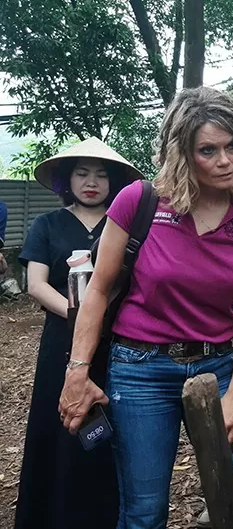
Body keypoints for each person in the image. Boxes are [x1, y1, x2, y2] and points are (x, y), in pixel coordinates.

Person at [58, 87, 233, 528]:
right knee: (145, 512)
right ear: (182, 153)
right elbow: (98, 290)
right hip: (140, 369)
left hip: (217, 365)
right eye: (208, 150)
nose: (225, 160)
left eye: (232, 146)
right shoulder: (140, 202)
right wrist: (77, 372)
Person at [15, 138, 142, 529]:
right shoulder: (46, 224)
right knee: (60, 426)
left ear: (115, 182)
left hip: (115, 344)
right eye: (82, 173)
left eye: (102, 175)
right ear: (67, 180)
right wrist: (79, 314)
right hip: (61, 344)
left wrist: (100, 319)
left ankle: (106, 515)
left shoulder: (125, 226)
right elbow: (35, 284)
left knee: (110, 427)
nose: (92, 182)